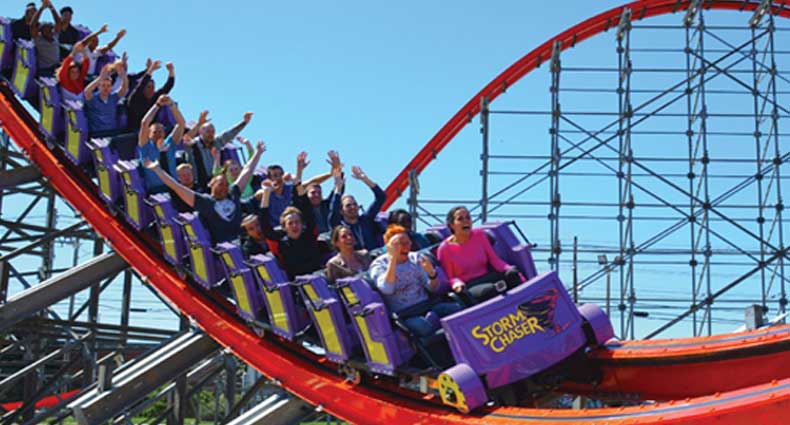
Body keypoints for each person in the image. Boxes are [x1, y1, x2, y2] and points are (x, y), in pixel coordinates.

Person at [144, 140, 265, 245]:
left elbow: (247, 171)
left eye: (226, 184)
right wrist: (157, 169)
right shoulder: (205, 201)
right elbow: (175, 186)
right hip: (226, 247)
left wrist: (258, 153)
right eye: (220, 184)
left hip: (246, 239)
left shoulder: (233, 193)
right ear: (211, 184)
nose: (224, 187)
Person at [369, 225, 463, 337]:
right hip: (406, 314)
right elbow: (387, 289)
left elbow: (432, 288)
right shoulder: (379, 265)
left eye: (408, 243)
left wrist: (432, 274)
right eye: (400, 244)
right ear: (389, 246)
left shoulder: (415, 257)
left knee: (457, 309)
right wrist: (393, 259)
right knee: (423, 327)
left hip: (426, 305)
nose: (406, 247)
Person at [257, 152, 323, 279]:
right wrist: (266, 194)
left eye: (297, 222)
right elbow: (264, 224)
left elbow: (306, 208)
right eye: (290, 223)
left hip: (318, 277)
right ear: (284, 227)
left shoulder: (308, 233)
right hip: (296, 283)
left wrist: (297, 180)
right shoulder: (281, 241)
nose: (294, 226)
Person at [437, 206, 522, 303]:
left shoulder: (479, 235)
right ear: (452, 225)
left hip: (487, 276)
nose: (465, 221)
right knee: (490, 289)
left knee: (513, 275)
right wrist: (457, 284)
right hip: (470, 285)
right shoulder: (444, 248)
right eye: (460, 219)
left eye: (468, 217)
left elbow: (494, 260)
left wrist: (508, 268)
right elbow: (450, 278)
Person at [136, 95, 192, 194]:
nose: (158, 134)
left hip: (175, 188)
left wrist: (171, 105)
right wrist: (157, 105)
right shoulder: (145, 146)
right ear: (149, 134)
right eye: (155, 132)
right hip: (157, 192)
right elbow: (144, 123)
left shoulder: (169, 143)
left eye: (160, 132)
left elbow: (181, 124)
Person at [185, 113, 253, 188]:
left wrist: (244, 122)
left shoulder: (216, 142)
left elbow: (230, 134)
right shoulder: (193, 144)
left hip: (214, 183)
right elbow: (186, 138)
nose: (211, 134)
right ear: (201, 132)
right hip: (198, 184)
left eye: (213, 132)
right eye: (208, 131)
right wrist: (199, 124)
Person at [328, 166, 386, 251]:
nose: (353, 207)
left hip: (373, 257)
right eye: (348, 205)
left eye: (355, 204)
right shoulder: (339, 226)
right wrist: (338, 188)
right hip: (351, 259)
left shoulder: (366, 219)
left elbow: (381, 197)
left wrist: (365, 179)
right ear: (341, 211)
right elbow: (334, 210)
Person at [126, 60, 175, 131]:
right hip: (134, 132)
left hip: (151, 131)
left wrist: (171, 70)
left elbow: (169, 86)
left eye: (153, 87)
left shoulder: (155, 97)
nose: (151, 89)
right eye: (148, 87)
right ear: (143, 89)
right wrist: (151, 69)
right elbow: (142, 83)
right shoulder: (135, 97)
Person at [83, 62, 128, 134]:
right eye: (103, 85)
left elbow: (124, 88)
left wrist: (123, 75)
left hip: (112, 133)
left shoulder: (113, 98)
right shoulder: (93, 98)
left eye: (108, 86)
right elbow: (87, 91)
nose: (106, 88)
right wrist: (100, 78)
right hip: (97, 135)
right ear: (99, 87)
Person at [306, 150, 343, 234]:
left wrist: (338, 169)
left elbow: (338, 189)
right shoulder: (303, 208)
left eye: (319, 193)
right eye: (313, 192)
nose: (316, 195)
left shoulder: (327, 205)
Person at [29, 0, 62, 77]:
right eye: (45, 30)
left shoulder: (55, 36)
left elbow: (58, 22)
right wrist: (41, 8)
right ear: (41, 32)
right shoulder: (38, 40)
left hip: (57, 68)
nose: (49, 31)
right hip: (45, 70)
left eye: (50, 29)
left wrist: (51, 6)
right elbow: (32, 25)